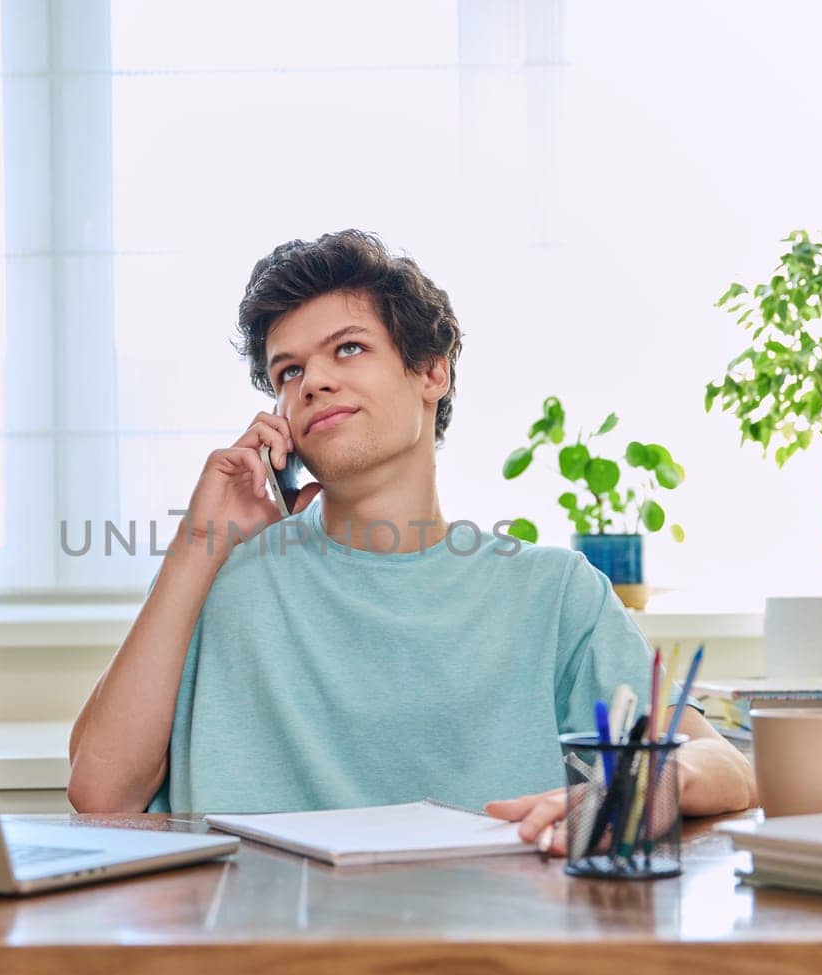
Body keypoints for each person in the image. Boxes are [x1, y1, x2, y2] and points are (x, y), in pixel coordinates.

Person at [67, 230, 755, 850]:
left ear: (432, 372)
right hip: (262, 962)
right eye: (289, 372)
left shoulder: (553, 593)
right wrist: (197, 541)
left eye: (349, 348)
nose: (315, 381)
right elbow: (101, 794)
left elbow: (723, 766)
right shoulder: (220, 580)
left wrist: (646, 787)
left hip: (489, 955)